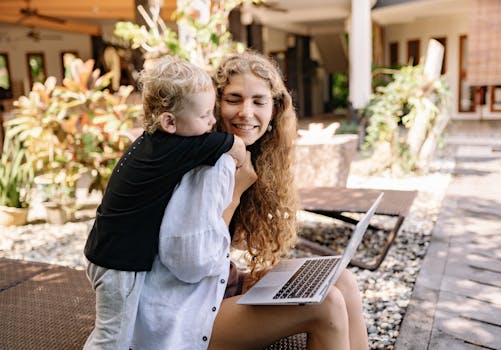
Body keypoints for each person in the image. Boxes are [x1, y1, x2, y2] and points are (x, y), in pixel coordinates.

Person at [133, 51, 369, 350]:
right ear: (215, 104)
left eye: (259, 101)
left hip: (211, 290)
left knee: (341, 279)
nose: (246, 112)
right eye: (234, 99)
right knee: (325, 304)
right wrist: (235, 194)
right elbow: (190, 262)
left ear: (274, 110)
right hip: (177, 316)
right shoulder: (203, 161)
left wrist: (245, 279)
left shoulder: (241, 155)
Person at [82, 55, 245, 350]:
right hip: (119, 264)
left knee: (113, 331)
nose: (212, 121)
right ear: (169, 121)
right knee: (112, 339)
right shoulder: (169, 149)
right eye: (205, 115)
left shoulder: (152, 143)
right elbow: (229, 143)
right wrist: (240, 153)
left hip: (105, 254)